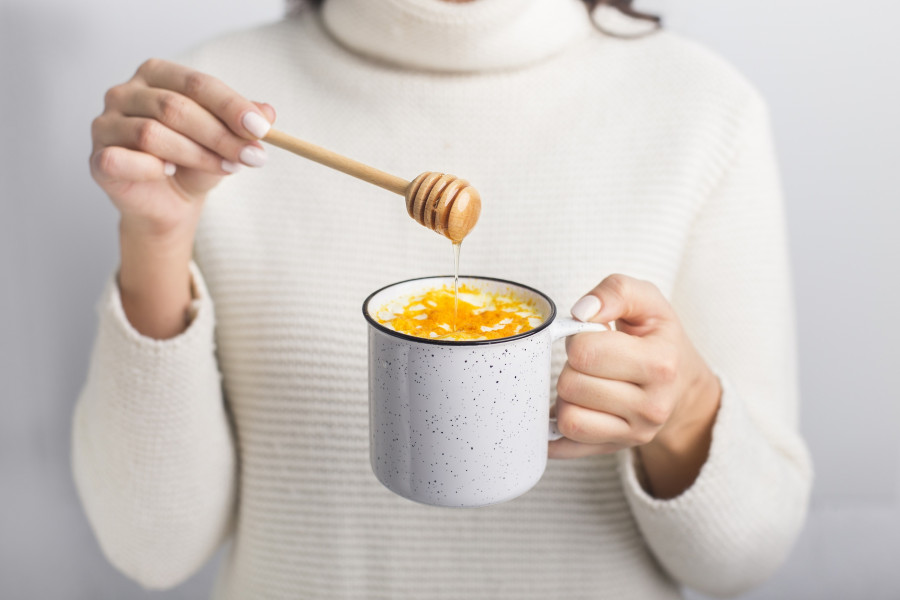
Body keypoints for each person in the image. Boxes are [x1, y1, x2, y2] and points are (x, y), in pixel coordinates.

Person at [72, 0, 813, 597]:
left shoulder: (703, 108)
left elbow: (746, 561)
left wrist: (683, 410)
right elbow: (151, 549)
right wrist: (156, 235)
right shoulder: (214, 114)